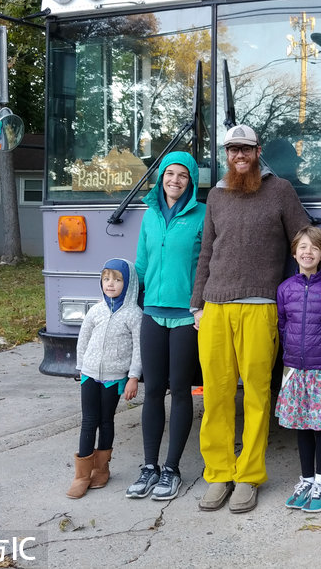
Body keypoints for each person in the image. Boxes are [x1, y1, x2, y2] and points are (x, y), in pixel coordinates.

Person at [190, 124, 321, 514]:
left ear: (257, 151)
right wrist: (197, 304)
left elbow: (304, 238)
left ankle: (247, 477)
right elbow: (207, 251)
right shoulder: (216, 195)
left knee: (259, 396)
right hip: (215, 307)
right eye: (232, 150)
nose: (239, 156)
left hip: (262, 306)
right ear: (226, 155)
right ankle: (218, 474)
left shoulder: (279, 191)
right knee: (216, 396)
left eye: (245, 149)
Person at [126, 151, 206, 501]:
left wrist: (201, 305)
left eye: (182, 176)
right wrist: (129, 299)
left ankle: (171, 468)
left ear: (191, 181)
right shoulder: (150, 215)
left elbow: (207, 265)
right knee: (154, 389)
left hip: (187, 316)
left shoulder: (202, 214)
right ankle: (149, 467)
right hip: (152, 312)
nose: (175, 180)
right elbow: (141, 263)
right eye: (169, 174)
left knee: (180, 388)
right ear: (161, 178)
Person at [275, 226, 321, 513]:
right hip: (294, 369)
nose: (308, 252)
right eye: (303, 247)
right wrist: (291, 354)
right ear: (294, 252)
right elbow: (283, 324)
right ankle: (305, 481)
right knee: (300, 426)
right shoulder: (285, 289)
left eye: (314, 248)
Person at [68, 258, 142, 499]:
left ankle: (101, 470)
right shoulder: (96, 311)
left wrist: (133, 377)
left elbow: (139, 349)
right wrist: (81, 367)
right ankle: (81, 476)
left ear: (129, 283)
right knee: (89, 421)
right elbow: (83, 339)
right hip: (89, 374)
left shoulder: (134, 315)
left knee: (106, 420)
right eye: (106, 278)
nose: (110, 284)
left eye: (117, 279)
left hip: (114, 378)